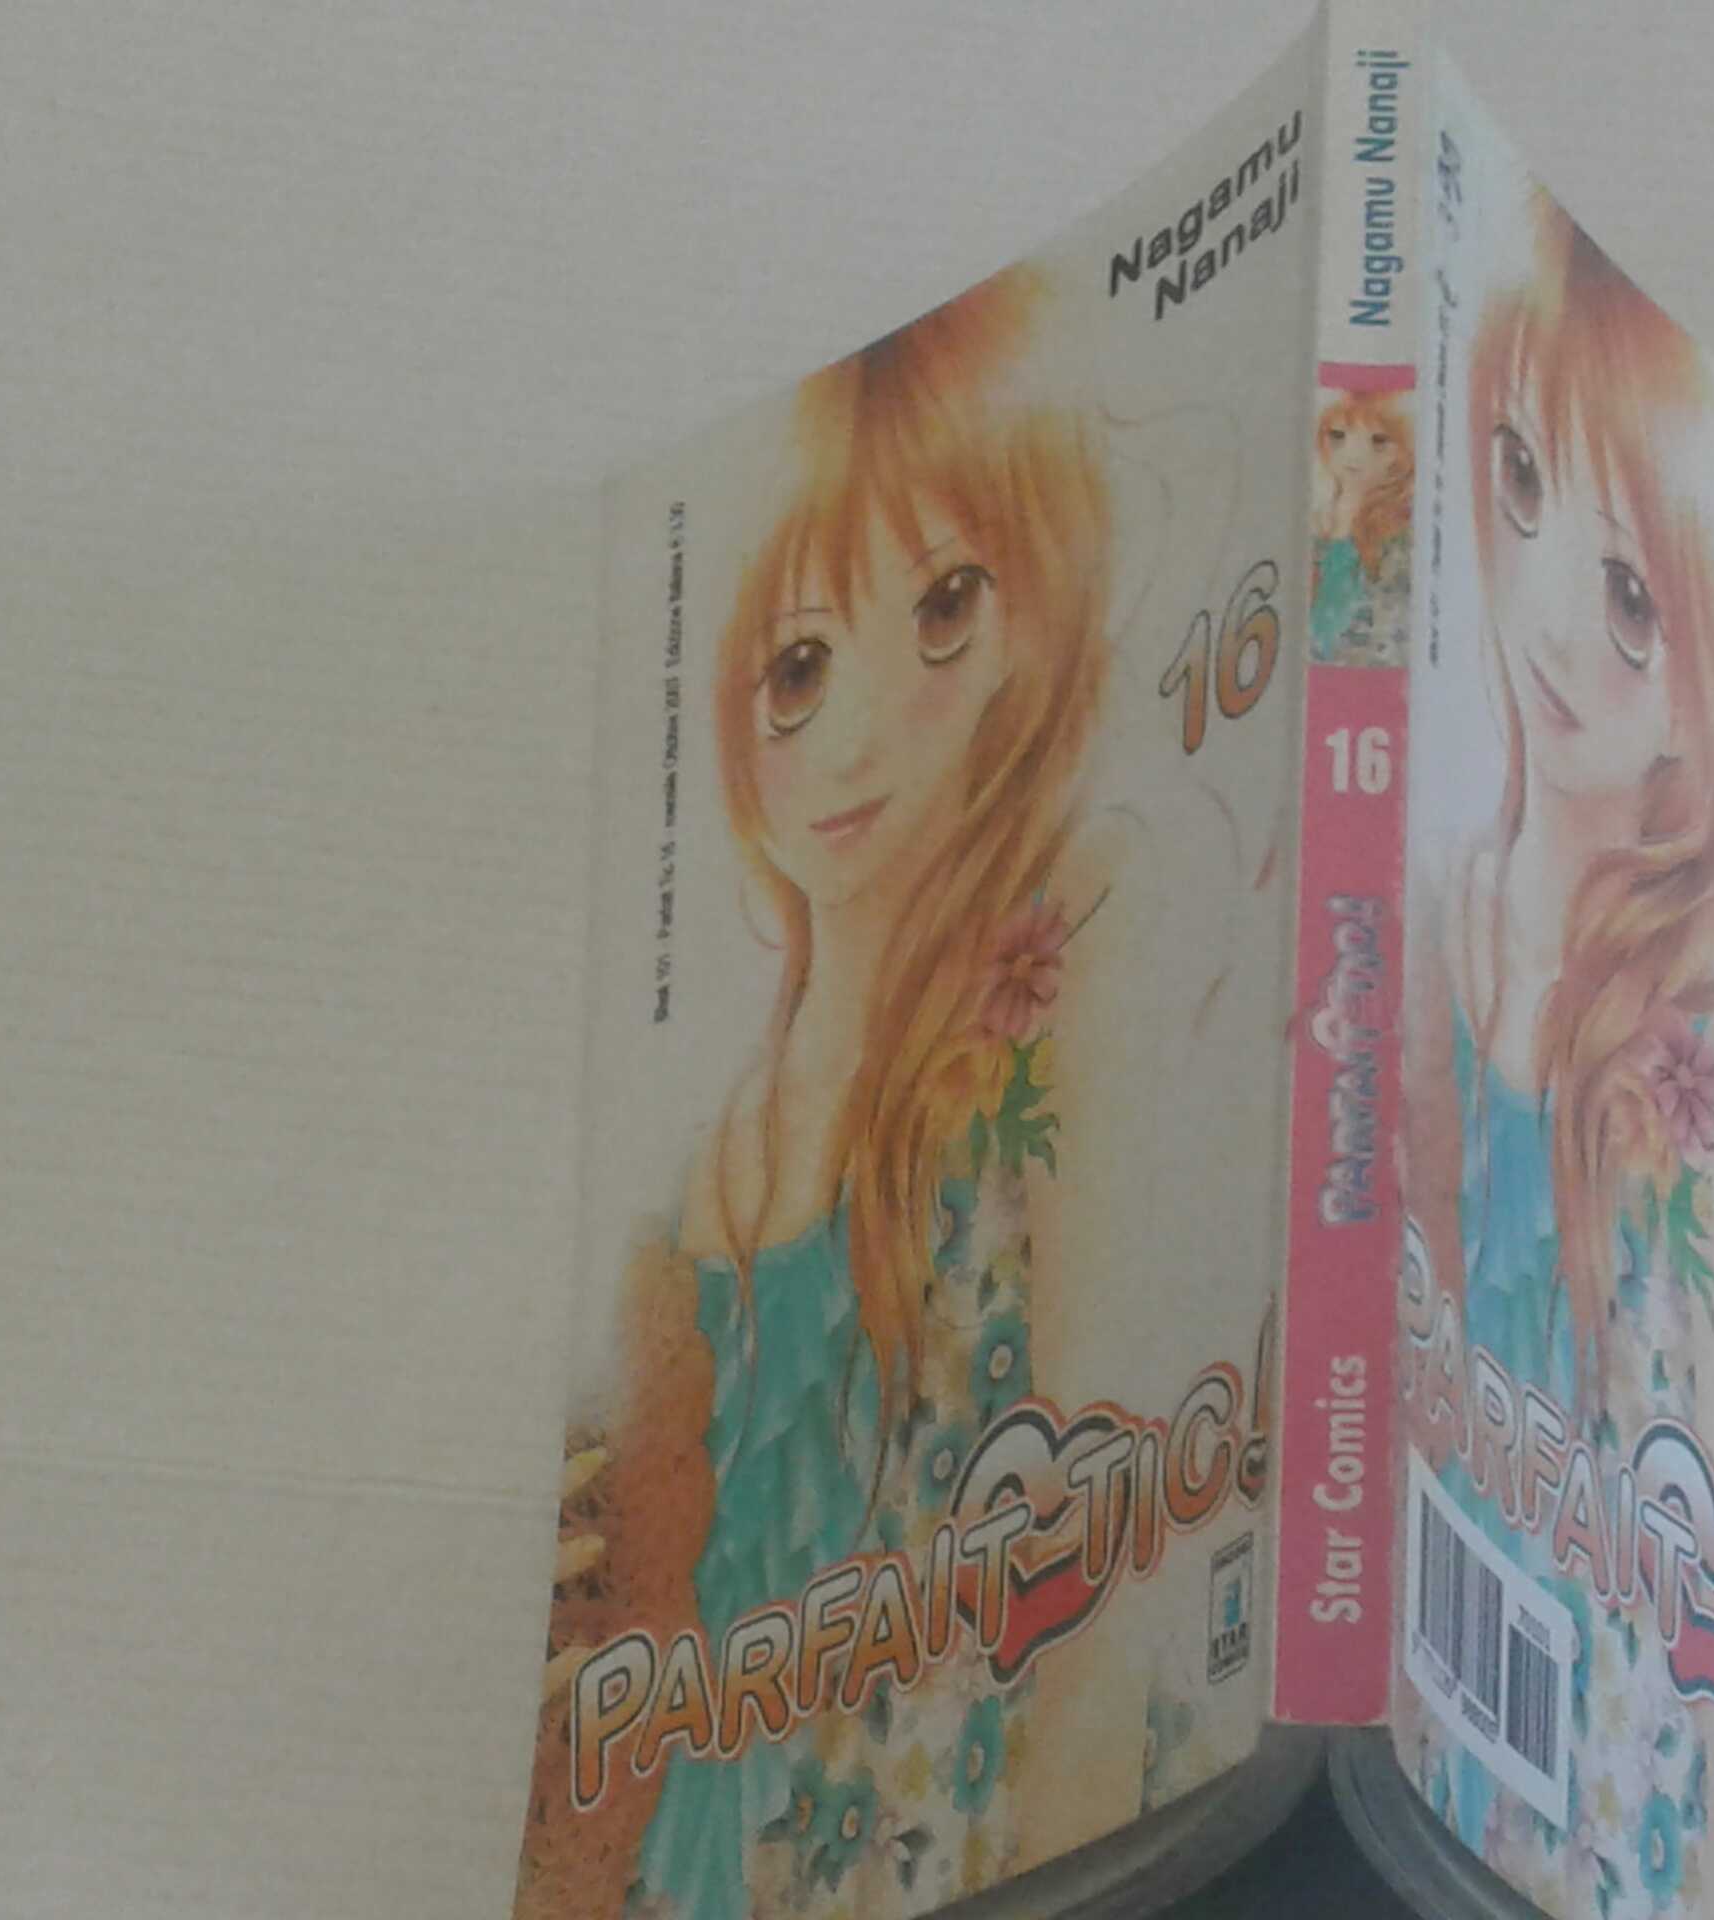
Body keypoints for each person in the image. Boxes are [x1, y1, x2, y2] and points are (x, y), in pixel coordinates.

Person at [520, 265, 1123, 1920]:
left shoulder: (996, 1096)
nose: (855, 741)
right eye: (798, 669)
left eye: (943, 613)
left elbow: (998, 1640)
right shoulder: (709, 1143)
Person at [1395, 193, 1714, 1920]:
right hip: (1410, 1729)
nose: (1548, 617)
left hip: (1602, 1806)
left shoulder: (1694, 1071)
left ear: (1705, 694)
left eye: (1627, 598)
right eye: (1520, 480)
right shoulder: (1435, 923)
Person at [1309, 388, 1415, 667]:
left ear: (1402, 454)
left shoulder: (1400, 534)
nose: (1354, 454)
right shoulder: (1318, 521)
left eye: (1378, 441)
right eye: (1338, 437)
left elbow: (1392, 630)